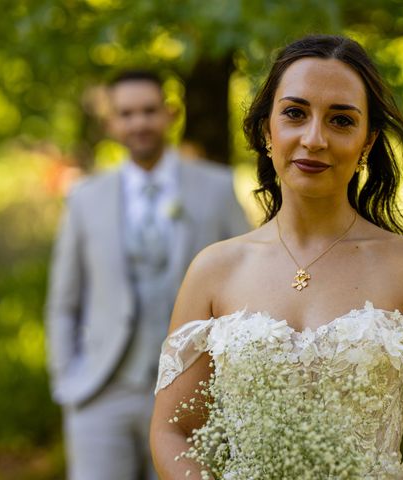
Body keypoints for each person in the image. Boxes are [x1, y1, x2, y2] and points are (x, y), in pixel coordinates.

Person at [151, 35, 403, 480]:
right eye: (295, 113)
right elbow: (172, 432)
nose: (314, 139)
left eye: (341, 121)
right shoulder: (214, 269)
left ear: (367, 142)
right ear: (268, 131)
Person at [45, 69, 249, 480]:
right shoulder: (85, 199)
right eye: (126, 113)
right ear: (111, 124)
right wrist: (67, 380)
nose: (139, 122)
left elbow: (249, 283)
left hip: (196, 394)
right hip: (103, 391)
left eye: (149, 111)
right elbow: (63, 302)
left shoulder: (217, 186)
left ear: (170, 114)